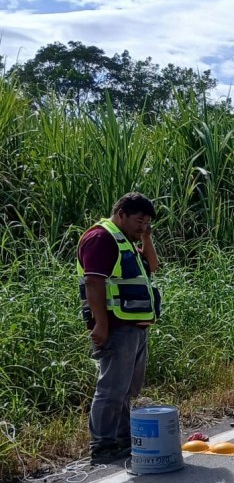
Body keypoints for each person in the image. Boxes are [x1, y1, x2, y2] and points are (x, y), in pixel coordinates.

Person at [76, 192, 160, 465]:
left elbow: (153, 267)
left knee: (127, 390)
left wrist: (146, 237)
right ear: (121, 213)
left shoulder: (126, 240)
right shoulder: (102, 238)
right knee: (112, 389)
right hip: (115, 327)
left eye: (147, 222)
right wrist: (100, 323)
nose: (142, 226)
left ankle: (123, 440)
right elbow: (93, 283)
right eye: (139, 220)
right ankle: (103, 446)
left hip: (135, 326)